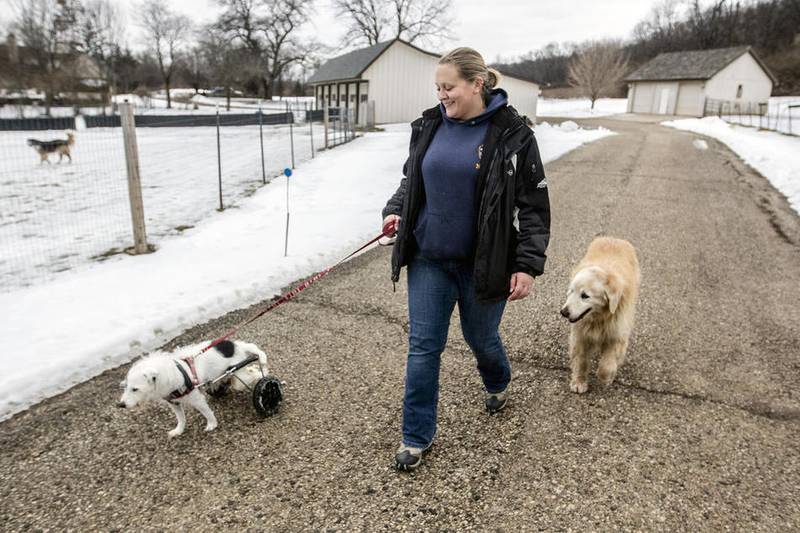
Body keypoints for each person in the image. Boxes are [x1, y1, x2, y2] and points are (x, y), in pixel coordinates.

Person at [381, 47, 551, 470]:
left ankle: (497, 380)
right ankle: (415, 437)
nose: (441, 95)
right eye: (437, 87)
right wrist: (396, 210)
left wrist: (527, 265)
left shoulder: (513, 134)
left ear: (476, 84)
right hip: (429, 259)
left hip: (485, 263)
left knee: (481, 339)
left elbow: (534, 206)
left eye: (449, 87)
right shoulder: (429, 125)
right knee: (423, 348)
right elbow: (411, 180)